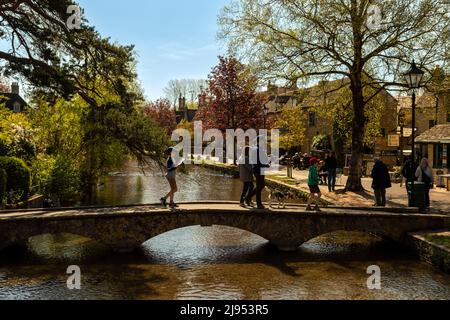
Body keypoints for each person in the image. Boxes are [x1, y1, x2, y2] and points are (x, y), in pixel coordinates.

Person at [246, 139, 270, 210]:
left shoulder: (256, 148)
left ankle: (248, 197)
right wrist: (266, 164)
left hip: (258, 168)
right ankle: (258, 204)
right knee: (260, 186)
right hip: (259, 169)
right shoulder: (258, 149)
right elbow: (259, 161)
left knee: (261, 185)